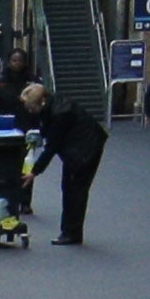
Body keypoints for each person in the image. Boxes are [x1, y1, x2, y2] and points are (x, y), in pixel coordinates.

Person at [34, 69, 105, 242]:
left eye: (32, 108)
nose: (32, 112)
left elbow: (52, 145)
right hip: (85, 145)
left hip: (83, 151)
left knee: (75, 190)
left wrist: (35, 171)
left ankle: (71, 233)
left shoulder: (59, 114)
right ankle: (70, 231)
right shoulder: (56, 104)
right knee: (72, 188)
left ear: (41, 102)